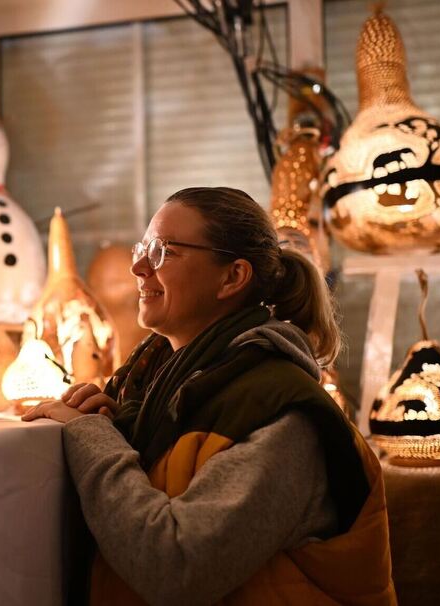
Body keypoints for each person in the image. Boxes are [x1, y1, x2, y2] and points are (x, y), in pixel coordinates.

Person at [23, 187, 396, 605]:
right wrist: (117, 427)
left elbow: (176, 566)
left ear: (232, 277)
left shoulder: (285, 415)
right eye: (142, 248)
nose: (140, 267)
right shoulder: (152, 393)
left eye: (164, 251)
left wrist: (94, 438)